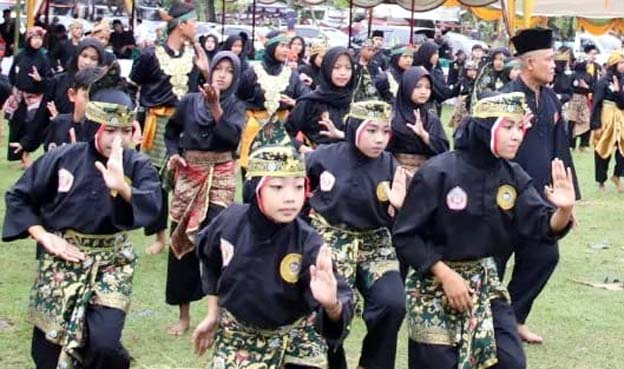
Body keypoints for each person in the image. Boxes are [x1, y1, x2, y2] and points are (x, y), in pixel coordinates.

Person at [393, 92, 576, 369]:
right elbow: (406, 236)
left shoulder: (512, 175)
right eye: (508, 127)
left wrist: (564, 211)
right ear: (484, 128)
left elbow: (541, 225)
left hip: (484, 283)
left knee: (510, 362)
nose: (517, 136)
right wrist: (445, 275)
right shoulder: (438, 172)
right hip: (431, 283)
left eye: (519, 127)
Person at [2, 88, 162, 369]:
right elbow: (19, 196)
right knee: (49, 346)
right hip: (62, 257)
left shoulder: (138, 164)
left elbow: (152, 203)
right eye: (111, 130)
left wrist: (123, 187)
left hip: (112, 262)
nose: (118, 140)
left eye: (126, 131)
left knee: (104, 343)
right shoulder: (64, 157)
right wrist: (44, 236)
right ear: (96, 126)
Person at [192, 145, 354, 369]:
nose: (290, 198)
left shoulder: (308, 242)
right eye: (277, 187)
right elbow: (210, 260)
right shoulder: (229, 222)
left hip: (296, 336)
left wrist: (332, 305)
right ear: (256, 189)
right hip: (240, 335)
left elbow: (339, 301)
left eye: (298, 187)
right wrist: (213, 314)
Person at [306, 100, 408, 369]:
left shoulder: (390, 165)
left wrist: (401, 207)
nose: (380, 139)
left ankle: (373, 363)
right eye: (372, 130)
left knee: (392, 302)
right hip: (331, 239)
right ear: (354, 128)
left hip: (376, 243)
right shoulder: (324, 157)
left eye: (385, 132)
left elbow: (406, 219)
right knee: (328, 305)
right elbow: (294, 184)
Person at [498, 27, 580, 344]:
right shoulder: (504, 100)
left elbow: (561, 152)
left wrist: (569, 203)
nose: (554, 65)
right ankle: (479, 319)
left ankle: (514, 318)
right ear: (529, 63)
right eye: (548, 59)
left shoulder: (551, 100)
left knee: (545, 257)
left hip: (542, 200)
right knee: (493, 261)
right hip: (503, 197)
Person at [160, 51, 245, 335]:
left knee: (217, 244)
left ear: (236, 76)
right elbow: (171, 132)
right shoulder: (189, 102)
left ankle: (215, 313)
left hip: (220, 176)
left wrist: (217, 107)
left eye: (228, 70)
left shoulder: (236, 106)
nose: (222, 74)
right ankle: (183, 317)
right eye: (218, 68)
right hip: (189, 175)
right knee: (181, 244)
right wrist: (174, 155)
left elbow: (232, 139)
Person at [130, 2, 209, 257]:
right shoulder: (150, 55)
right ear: (181, 24)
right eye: (193, 22)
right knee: (155, 182)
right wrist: (134, 120)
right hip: (158, 123)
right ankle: (159, 236)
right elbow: (133, 87)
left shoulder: (194, 56)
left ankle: (188, 233)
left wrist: (203, 63)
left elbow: (206, 84)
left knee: (189, 180)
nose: (196, 27)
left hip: (188, 124)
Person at [237, 30, 310, 173]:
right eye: (281, 45)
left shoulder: (291, 75)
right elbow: (239, 97)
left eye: (287, 46)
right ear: (271, 47)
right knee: (253, 174)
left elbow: (305, 97)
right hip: (255, 128)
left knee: (279, 174)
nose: (285, 50)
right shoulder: (252, 73)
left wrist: (294, 102)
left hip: (282, 130)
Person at [286, 46, 355, 153]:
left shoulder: (357, 101)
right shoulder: (309, 102)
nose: (343, 73)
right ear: (327, 68)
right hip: (317, 163)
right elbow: (286, 134)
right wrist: (303, 148)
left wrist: (341, 135)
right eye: (336, 67)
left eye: (348, 68)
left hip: (352, 163)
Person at [5, 26, 53, 168]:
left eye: (40, 38)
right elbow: (12, 74)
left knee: (31, 126)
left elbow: (49, 80)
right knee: (16, 125)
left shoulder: (43, 58)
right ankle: (18, 155)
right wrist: (16, 90)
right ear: (28, 39)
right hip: (19, 96)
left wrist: (40, 80)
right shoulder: (20, 55)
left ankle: (26, 153)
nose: (38, 41)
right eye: (35, 38)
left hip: (35, 97)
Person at [389, 66, 449, 176]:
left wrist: (424, 135)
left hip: (425, 176)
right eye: (418, 86)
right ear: (407, 87)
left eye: (428, 87)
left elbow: (444, 151)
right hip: (394, 174)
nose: (423, 92)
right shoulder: (391, 117)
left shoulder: (431, 119)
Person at [44, 67, 105, 151]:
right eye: (87, 96)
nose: (94, 104)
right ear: (72, 95)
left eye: (99, 98)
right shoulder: (58, 124)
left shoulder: (105, 133)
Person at [589, 50, 624, 192]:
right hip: (605, 119)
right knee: (603, 150)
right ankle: (601, 181)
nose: (623, 65)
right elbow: (596, 103)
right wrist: (595, 124)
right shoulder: (603, 82)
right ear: (614, 64)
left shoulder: (622, 80)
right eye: (621, 63)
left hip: (621, 118)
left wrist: (617, 92)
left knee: (622, 150)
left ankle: (617, 175)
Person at [414, 41, 459, 116]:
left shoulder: (435, 71)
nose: (437, 56)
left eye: (438, 53)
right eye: (434, 53)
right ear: (427, 54)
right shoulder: (416, 71)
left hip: (433, 108)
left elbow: (443, 92)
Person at [568, 59, 593, 151]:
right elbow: (568, 86)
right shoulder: (573, 75)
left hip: (584, 100)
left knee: (587, 122)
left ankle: (584, 144)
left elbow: (593, 88)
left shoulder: (589, 76)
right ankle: (571, 144)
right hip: (574, 100)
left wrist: (586, 87)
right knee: (572, 122)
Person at [449, 60, 478, 129]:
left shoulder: (477, 82)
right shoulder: (462, 81)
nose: (472, 72)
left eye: (474, 70)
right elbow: (454, 92)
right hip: (461, 104)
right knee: (458, 123)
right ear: (466, 71)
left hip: (473, 104)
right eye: (470, 70)